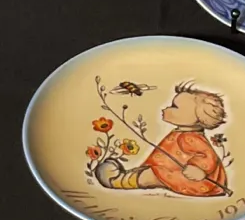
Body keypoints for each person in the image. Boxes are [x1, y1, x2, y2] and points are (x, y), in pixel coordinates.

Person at [93, 82, 228, 197]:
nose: (166, 108)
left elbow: (207, 157)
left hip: (197, 181)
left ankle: (117, 181)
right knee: (153, 171)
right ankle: (127, 176)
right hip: (176, 172)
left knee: (154, 174)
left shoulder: (191, 138)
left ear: (200, 118)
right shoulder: (183, 133)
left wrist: (198, 170)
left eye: (174, 107)